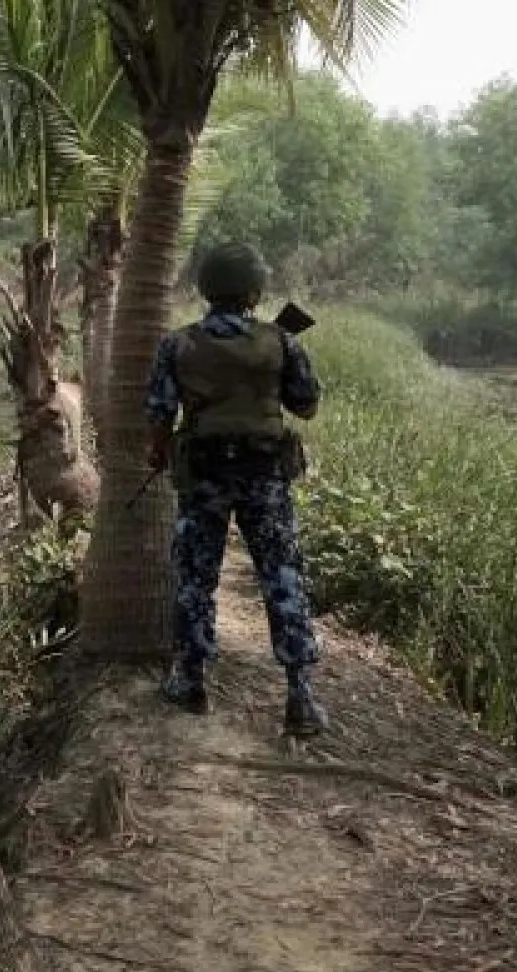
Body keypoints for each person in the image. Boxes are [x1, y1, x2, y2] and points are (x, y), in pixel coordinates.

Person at [144, 241, 327, 736]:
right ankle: (299, 696)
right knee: (282, 577)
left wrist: (157, 451)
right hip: (264, 475)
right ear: (254, 290)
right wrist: (275, 359)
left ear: (206, 290)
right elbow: (306, 405)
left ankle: (191, 681)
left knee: (195, 577)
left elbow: (159, 414)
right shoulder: (281, 341)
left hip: (203, 475)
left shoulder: (177, 344)